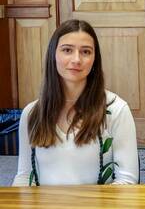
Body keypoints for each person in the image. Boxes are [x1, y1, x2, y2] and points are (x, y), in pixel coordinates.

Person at [13, 20, 138, 186]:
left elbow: (127, 180)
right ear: (53, 55)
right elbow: (24, 177)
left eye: (86, 52)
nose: (76, 59)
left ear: (94, 59)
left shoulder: (116, 110)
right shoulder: (32, 113)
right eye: (67, 50)